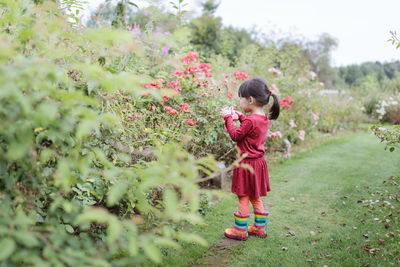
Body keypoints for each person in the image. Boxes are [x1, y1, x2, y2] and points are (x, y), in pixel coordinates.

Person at [220, 77, 280, 241]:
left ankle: (240, 231)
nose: (240, 101)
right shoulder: (263, 119)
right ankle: (260, 228)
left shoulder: (250, 121)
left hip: (246, 163)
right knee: (255, 196)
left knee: (243, 196)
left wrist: (228, 118)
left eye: (241, 98)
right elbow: (251, 126)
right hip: (258, 163)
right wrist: (239, 116)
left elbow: (235, 135)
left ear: (250, 100)